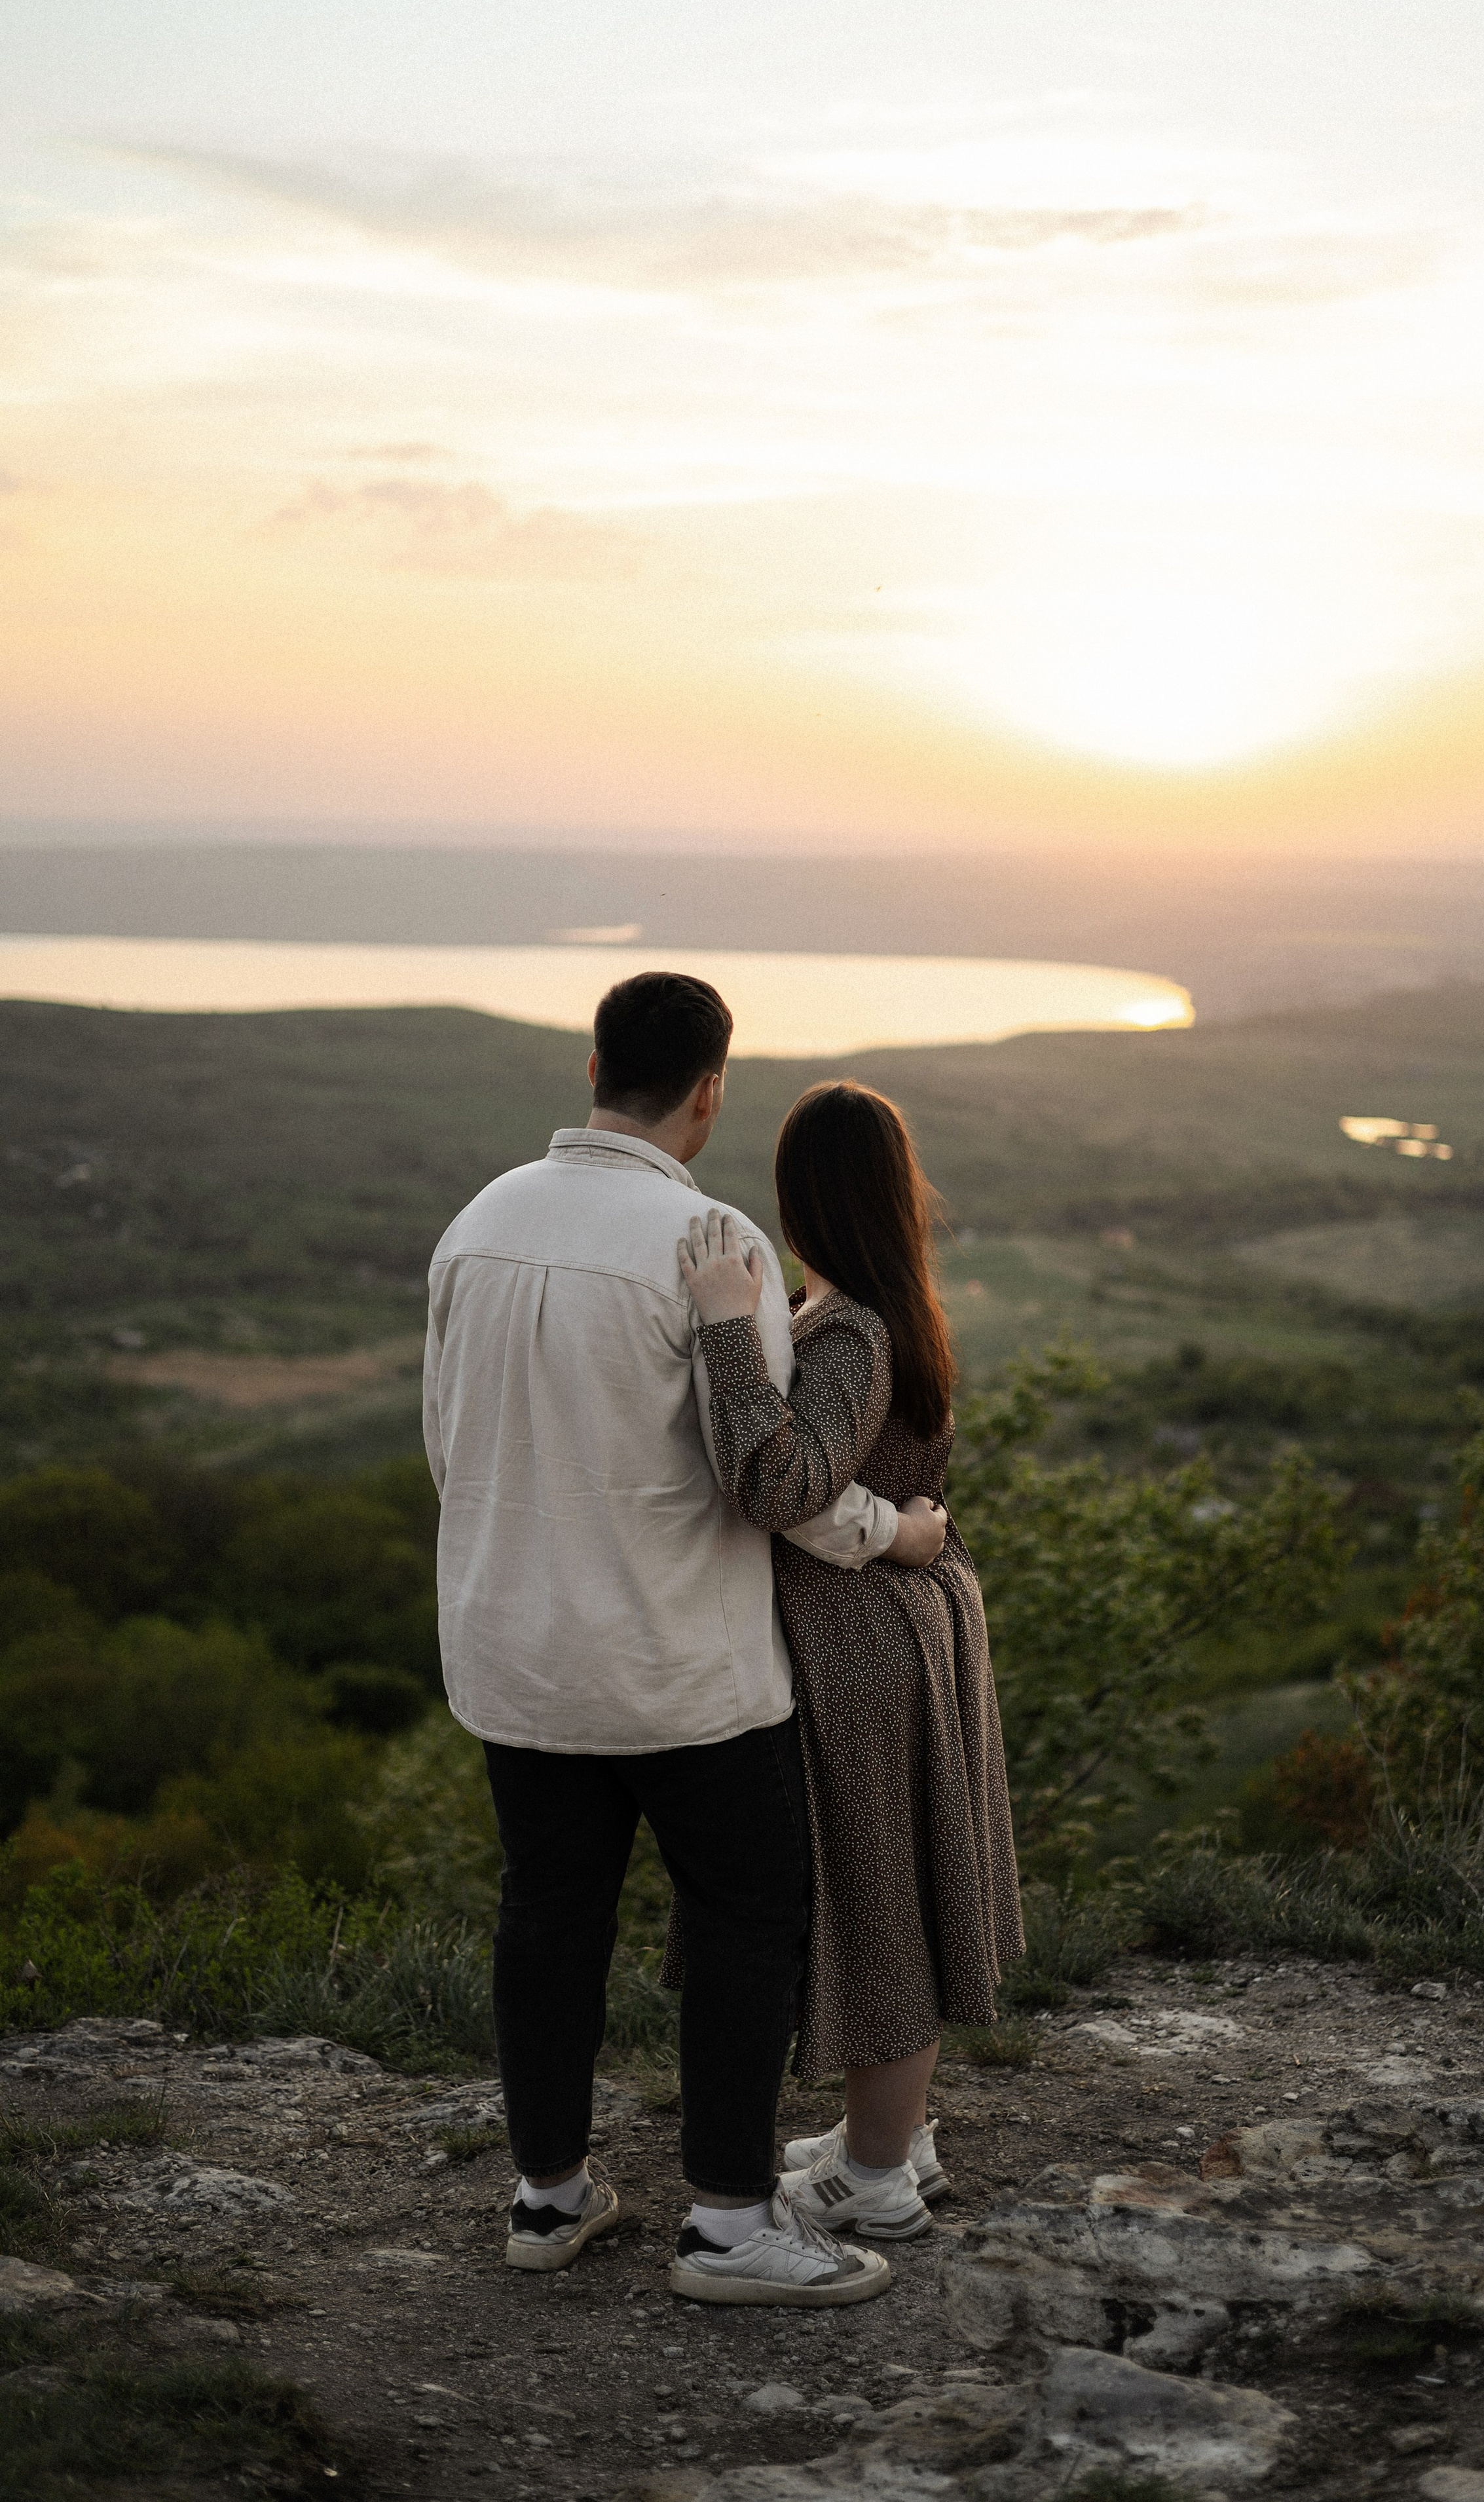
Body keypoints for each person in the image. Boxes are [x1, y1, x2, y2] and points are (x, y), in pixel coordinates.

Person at [422, 973, 944, 2309]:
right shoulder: (713, 1243)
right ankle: (724, 2224)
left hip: (513, 1648)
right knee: (744, 1919)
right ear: (710, 1088)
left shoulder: (476, 1225)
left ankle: (548, 2197)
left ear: (592, 1061)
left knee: (547, 1916)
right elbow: (770, 1476)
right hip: (680, 1664)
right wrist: (899, 1535)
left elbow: (449, 1448)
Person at [678, 1078, 1024, 2245]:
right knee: (903, 1888)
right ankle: (895, 2136)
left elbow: (780, 1483)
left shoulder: (849, 1335)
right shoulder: (892, 1308)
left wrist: (729, 1332)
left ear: (803, 1196)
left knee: (879, 1902)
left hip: (860, 1647)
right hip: (906, 1623)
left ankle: (876, 2176)